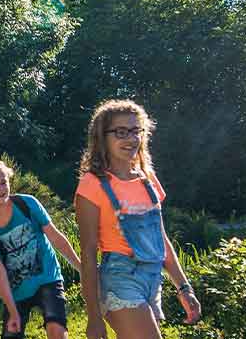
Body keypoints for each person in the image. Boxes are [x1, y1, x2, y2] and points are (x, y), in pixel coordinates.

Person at [75, 100, 202, 339]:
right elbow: (88, 254)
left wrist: (184, 288)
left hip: (152, 279)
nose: (131, 139)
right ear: (102, 137)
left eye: (136, 131)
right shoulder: (91, 185)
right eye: (121, 132)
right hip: (119, 278)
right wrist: (93, 316)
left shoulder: (148, 179)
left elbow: (161, 240)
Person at [0, 159, 82, 339]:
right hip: (16, 290)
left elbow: (55, 236)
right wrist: (12, 309)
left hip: (47, 278)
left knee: (57, 331)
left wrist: (81, 268)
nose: (1, 189)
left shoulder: (27, 204)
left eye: (3, 182)